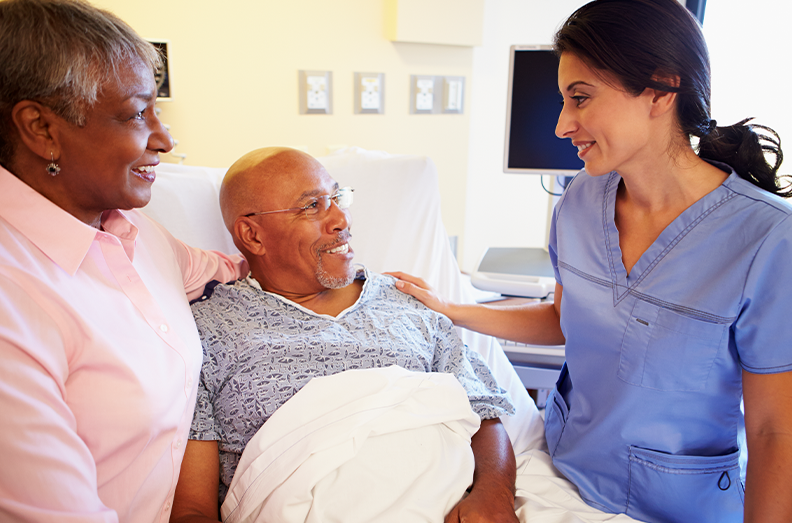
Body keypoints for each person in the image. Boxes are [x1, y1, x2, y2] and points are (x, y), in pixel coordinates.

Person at [390, 0, 792, 522]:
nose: (562, 125)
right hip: (563, 474)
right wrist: (451, 310)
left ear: (660, 89)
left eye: (580, 98)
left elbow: (773, 430)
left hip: (680, 505)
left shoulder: (766, 238)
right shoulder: (580, 200)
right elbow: (565, 319)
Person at [170, 147, 519, 523]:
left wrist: (493, 496)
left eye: (337, 197)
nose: (340, 219)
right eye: (311, 207)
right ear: (252, 236)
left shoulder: (408, 301)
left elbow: (484, 412)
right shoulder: (209, 331)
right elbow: (192, 507)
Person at [0, 1, 248, 521]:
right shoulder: (14, 300)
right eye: (138, 113)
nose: (166, 139)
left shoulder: (136, 233)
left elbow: (229, 270)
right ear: (41, 129)